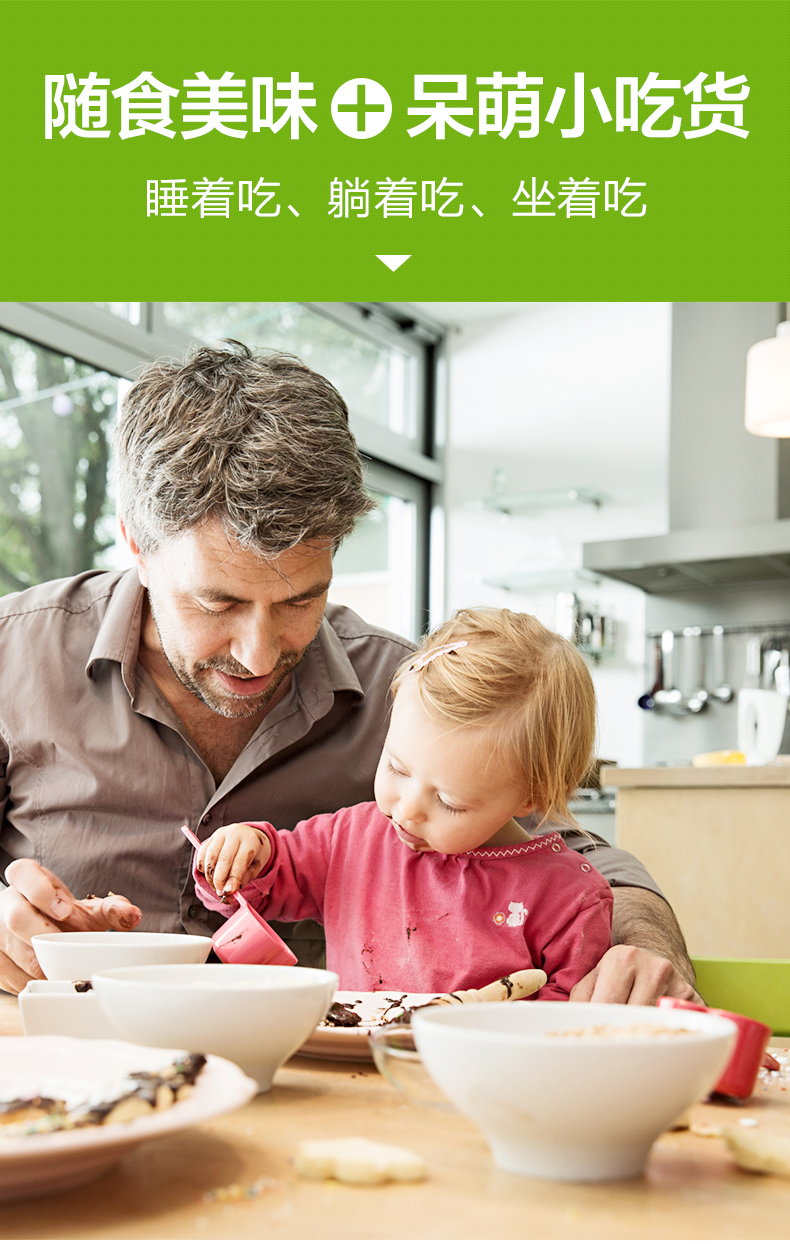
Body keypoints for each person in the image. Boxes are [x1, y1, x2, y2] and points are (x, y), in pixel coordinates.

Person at [0, 341, 698, 1004]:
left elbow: (579, 861)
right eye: (219, 601)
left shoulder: (409, 691)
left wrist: (640, 944)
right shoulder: (14, 658)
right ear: (137, 546)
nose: (260, 654)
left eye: (303, 599)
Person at [193, 609, 614, 997]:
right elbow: (275, 874)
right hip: (354, 1066)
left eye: (448, 800)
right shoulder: (351, 840)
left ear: (531, 797)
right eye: (397, 767)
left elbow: (573, 1021)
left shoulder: (569, 900)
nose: (407, 809)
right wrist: (246, 853)